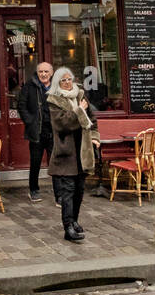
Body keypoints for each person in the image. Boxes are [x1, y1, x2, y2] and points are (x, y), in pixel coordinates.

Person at [47, 67, 97, 243]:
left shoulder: (80, 96)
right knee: (68, 190)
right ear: (57, 83)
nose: (68, 83)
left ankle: (74, 220)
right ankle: (67, 227)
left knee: (80, 189)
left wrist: (95, 138)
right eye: (64, 80)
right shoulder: (54, 100)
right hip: (66, 151)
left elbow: (93, 121)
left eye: (70, 79)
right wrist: (79, 111)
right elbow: (63, 124)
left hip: (83, 150)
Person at [16, 61, 54, 203]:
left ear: (51, 73)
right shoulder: (29, 86)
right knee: (36, 162)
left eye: (46, 71)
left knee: (56, 163)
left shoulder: (56, 87)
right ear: (37, 73)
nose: (43, 74)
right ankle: (34, 190)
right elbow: (21, 105)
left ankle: (59, 194)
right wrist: (30, 121)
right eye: (41, 72)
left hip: (53, 131)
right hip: (36, 131)